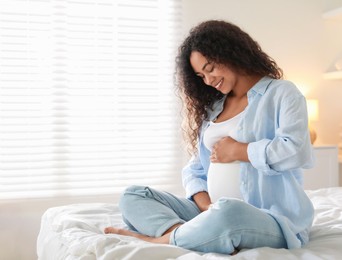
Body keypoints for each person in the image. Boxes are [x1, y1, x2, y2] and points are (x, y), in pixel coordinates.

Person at [104, 20, 315, 255]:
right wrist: (206, 207)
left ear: (233, 53)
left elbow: (296, 150)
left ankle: (161, 241)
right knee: (133, 196)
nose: (208, 79)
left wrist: (238, 150)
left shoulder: (282, 93)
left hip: (268, 217)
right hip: (212, 213)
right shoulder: (215, 107)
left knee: (229, 212)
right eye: (201, 75)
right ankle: (191, 234)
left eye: (210, 67)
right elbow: (195, 170)